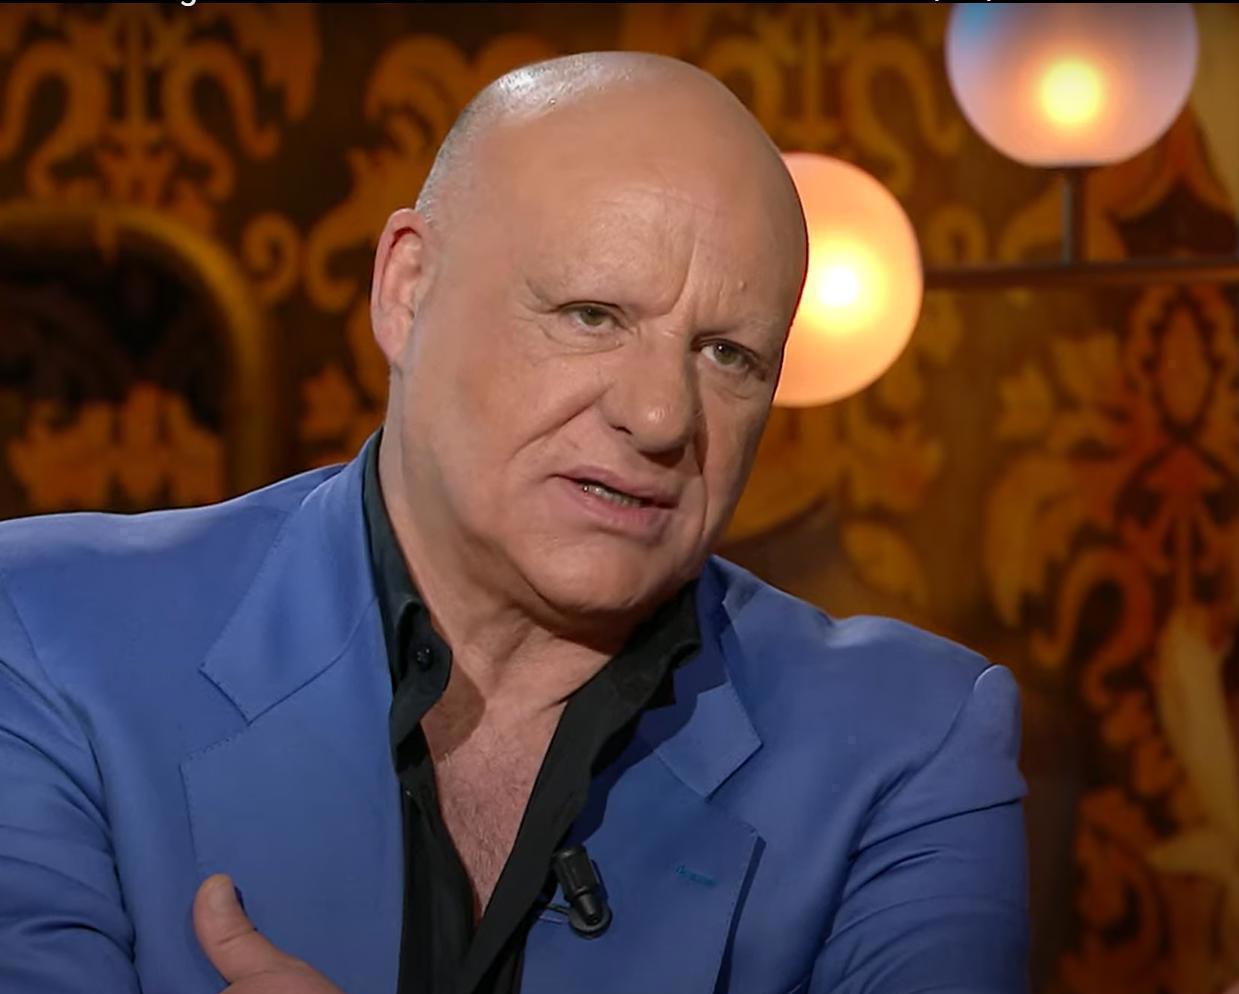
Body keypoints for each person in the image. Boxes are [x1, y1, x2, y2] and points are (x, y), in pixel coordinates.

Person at [0, 51, 1028, 994]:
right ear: (408, 290)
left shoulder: (909, 745)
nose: (660, 417)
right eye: (592, 315)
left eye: (728, 354)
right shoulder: (46, 638)